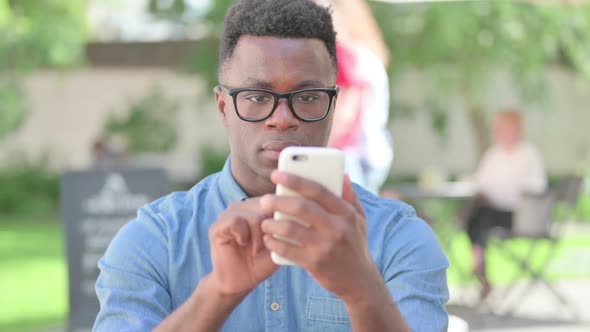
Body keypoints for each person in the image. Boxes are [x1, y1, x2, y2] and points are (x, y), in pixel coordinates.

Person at [93, 1, 449, 331]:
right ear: (223, 107)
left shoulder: (398, 240)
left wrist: (361, 292)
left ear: (333, 105)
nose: (282, 119)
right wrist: (217, 293)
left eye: (308, 97)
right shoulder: (154, 241)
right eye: (258, 97)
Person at [465, 109, 547, 301]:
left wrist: (510, 189)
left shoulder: (529, 154)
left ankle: (478, 266)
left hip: (519, 214)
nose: (501, 132)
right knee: (477, 214)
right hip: (492, 209)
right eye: (499, 128)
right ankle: (480, 267)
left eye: (505, 128)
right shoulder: (493, 154)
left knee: (479, 216)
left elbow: (537, 186)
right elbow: (480, 182)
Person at [318, 0, 394, 194]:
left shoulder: (343, 55)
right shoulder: (367, 55)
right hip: (372, 149)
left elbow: (345, 111)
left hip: (346, 152)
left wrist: (320, 147)